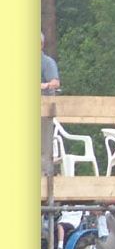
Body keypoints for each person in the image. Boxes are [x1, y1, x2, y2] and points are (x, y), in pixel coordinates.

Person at [41, 32, 61, 176]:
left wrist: (45, 85)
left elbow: (55, 82)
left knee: (44, 144)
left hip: (44, 110)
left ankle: (45, 177)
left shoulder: (47, 62)